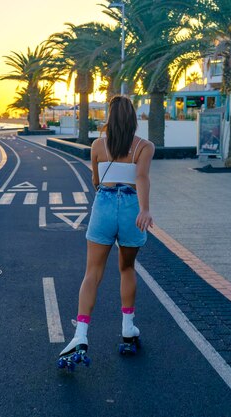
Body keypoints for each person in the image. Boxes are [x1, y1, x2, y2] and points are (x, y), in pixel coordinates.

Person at [58, 96, 155, 369]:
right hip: (130, 209)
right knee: (126, 268)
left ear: (109, 119)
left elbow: (96, 181)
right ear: (134, 119)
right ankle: (127, 330)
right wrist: (144, 209)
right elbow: (142, 178)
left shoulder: (98, 145)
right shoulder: (144, 147)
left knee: (92, 273)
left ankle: (80, 335)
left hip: (104, 204)